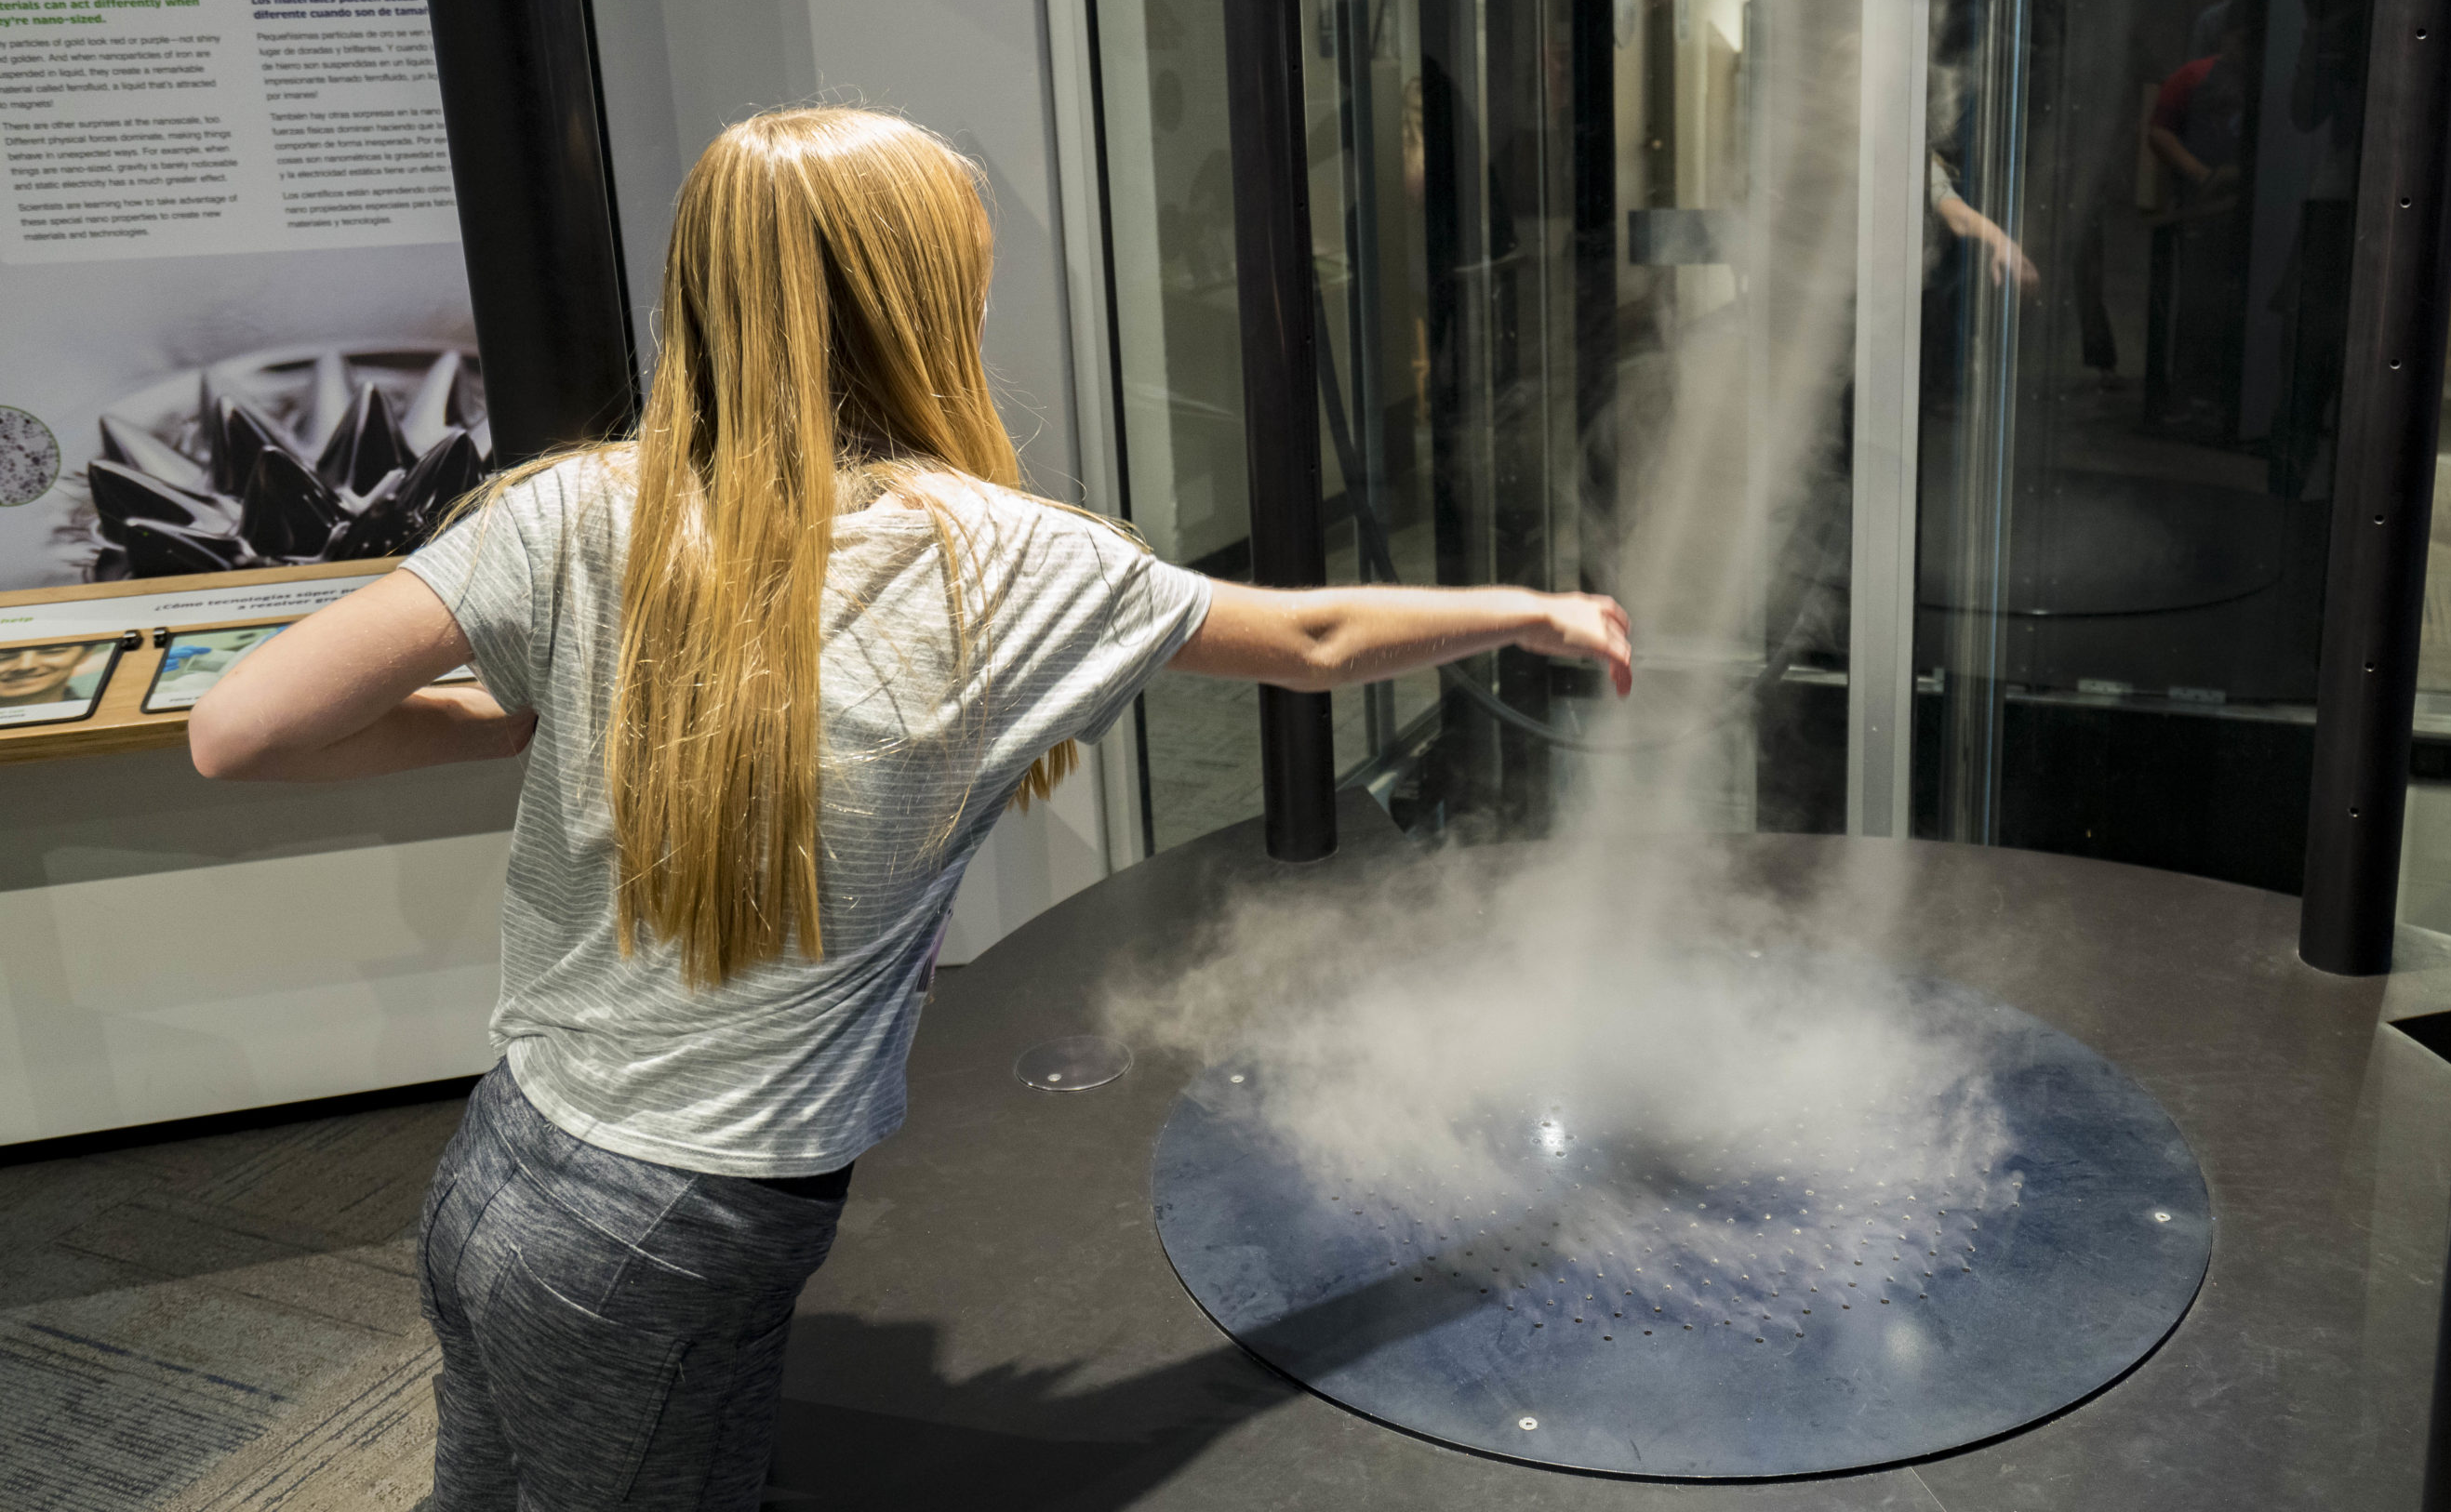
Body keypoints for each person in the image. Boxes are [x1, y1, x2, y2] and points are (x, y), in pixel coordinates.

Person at [184, 107, 1630, 1512]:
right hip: (687, 1227)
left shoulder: (569, 511)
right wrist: (1532, 610)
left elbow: (238, 734)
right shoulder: (999, 563)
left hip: (504, 1162)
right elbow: (1310, 640)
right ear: (922, 299)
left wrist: (524, 721)